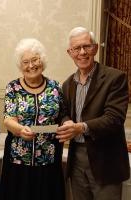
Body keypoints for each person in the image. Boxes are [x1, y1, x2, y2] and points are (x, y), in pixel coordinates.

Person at [56, 26, 130, 200]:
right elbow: (64, 113)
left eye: (86, 46)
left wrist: (81, 127)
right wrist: (67, 122)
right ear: (70, 52)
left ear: (95, 48)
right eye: (76, 48)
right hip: (76, 161)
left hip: (106, 161)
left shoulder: (115, 78)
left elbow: (114, 119)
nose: (82, 52)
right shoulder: (67, 84)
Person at [0, 38, 66, 200]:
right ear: (20, 66)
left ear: (42, 60)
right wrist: (20, 130)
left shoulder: (55, 87)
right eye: (25, 62)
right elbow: (8, 119)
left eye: (35, 60)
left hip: (48, 158)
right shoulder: (13, 87)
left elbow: (64, 115)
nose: (31, 65)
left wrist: (67, 123)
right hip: (19, 159)